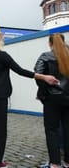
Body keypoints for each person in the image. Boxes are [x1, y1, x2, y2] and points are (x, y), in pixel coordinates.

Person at [0, 33, 59, 168]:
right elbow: (20, 71)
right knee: (0, 129)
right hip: (0, 96)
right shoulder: (3, 56)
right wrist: (43, 77)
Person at [34, 33, 69, 168]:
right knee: (68, 129)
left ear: (50, 43)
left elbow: (38, 75)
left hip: (52, 99)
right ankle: (67, 161)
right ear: (63, 41)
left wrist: (45, 92)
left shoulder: (45, 56)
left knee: (51, 130)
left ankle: (55, 163)